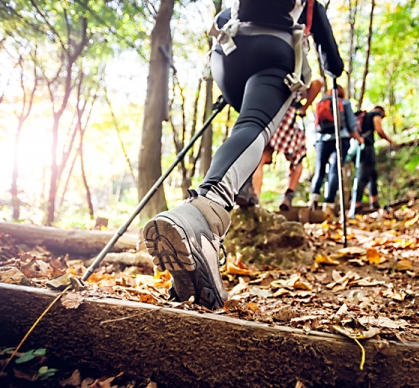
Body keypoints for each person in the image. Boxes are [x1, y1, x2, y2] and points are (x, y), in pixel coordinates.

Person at [142, 0, 344, 309]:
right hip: (272, 53)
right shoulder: (310, 5)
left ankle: (238, 194)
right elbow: (332, 63)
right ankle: (204, 218)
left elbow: (223, 16)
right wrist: (332, 69)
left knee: (246, 125)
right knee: (254, 126)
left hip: (227, 55)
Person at [237, 77, 324, 211]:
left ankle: (254, 197)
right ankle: (288, 196)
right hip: (287, 118)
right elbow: (318, 83)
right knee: (297, 159)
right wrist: (304, 108)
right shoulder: (295, 75)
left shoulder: (267, 78)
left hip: (267, 115)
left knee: (259, 159)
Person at [308, 85, 362, 216]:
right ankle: (328, 203)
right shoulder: (345, 103)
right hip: (340, 139)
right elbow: (351, 125)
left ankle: (314, 198)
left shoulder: (321, 103)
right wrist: (359, 139)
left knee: (319, 170)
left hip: (321, 140)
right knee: (335, 170)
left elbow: (314, 126)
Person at [353, 105, 394, 212]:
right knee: (363, 176)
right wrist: (388, 139)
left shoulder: (363, 116)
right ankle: (356, 205)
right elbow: (379, 129)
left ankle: (374, 202)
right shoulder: (375, 114)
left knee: (372, 174)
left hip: (358, 148)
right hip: (366, 147)